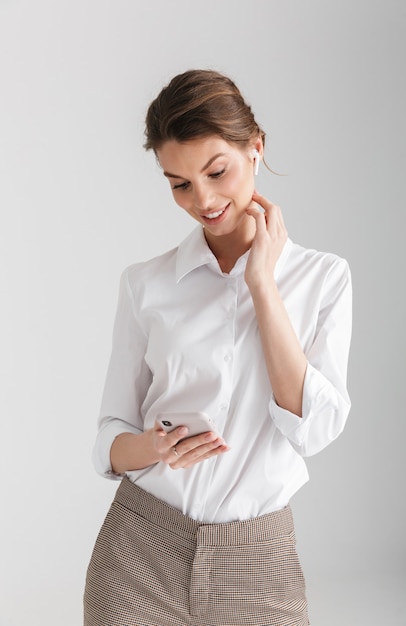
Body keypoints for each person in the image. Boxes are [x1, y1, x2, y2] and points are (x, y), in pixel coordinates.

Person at [83, 69, 352, 626]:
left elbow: (314, 429)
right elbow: (110, 436)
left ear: (255, 148)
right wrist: (152, 449)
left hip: (256, 559)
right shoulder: (146, 284)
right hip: (140, 546)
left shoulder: (324, 280)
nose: (201, 199)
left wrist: (262, 284)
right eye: (179, 183)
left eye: (216, 171)